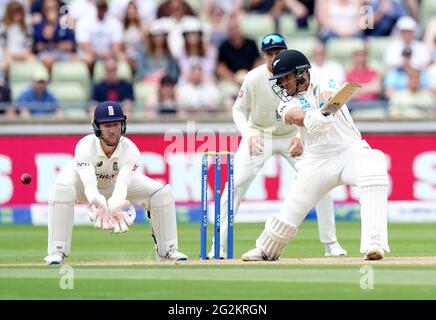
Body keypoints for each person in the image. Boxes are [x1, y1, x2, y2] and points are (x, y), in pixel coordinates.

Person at [242, 49, 390, 261]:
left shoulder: (323, 78)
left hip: (348, 150)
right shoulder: (285, 101)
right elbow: (294, 115)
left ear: (300, 73)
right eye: (279, 80)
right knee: (293, 207)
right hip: (316, 161)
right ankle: (267, 249)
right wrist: (311, 117)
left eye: (286, 78)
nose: (282, 84)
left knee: (373, 163)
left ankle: (374, 242)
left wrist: (325, 111)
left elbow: (329, 98)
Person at [208, 33, 347, 259]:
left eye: (278, 53)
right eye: (270, 54)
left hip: (293, 135)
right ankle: (218, 247)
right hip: (259, 135)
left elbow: (309, 109)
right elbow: (238, 110)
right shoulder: (253, 78)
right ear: (264, 56)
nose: (274, 58)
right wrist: (249, 134)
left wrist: (301, 137)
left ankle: (331, 244)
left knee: (322, 182)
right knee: (234, 187)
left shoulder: (299, 75)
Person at [44, 101, 188, 265]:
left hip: (115, 184)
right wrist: (97, 202)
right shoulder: (84, 146)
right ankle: (57, 251)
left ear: (123, 125)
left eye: (116, 125)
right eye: (107, 126)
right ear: (97, 127)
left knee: (161, 194)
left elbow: (122, 186)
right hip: (81, 184)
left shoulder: (131, 150)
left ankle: (167, 251)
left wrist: (114, 205)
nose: (112, 131)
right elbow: (89, 184)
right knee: (61, 190)